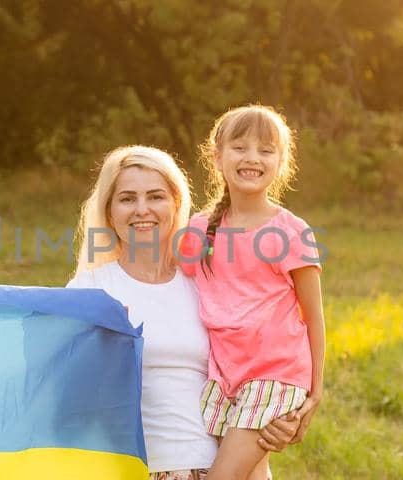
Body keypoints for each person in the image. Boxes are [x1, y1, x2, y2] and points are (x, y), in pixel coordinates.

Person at [67, 145, 297, 480]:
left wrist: (279, 417)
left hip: (224, 468)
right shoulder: (91, 291)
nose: (142, 210)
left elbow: (258, 362)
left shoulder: (207, 282)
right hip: (143, 469)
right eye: (128, 198)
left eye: (156, 196)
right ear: (109, 210)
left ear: (176, 204)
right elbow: (68, 393)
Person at [178, 105, 326, 480]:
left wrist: (316, 390)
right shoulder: (197, 231)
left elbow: (314, 316)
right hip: (222, 378)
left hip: (275, 376)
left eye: (265, 150)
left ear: (281, 162)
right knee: (250, 473)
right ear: (217, 157)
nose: (252, 158)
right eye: (240, 147)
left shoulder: (290, 231)